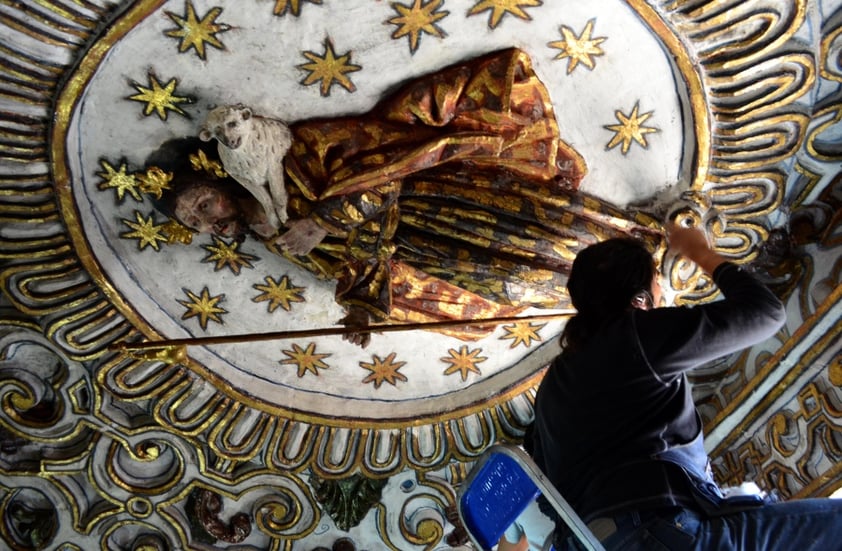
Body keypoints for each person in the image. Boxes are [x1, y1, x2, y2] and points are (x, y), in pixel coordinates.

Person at [146, 48, 661, 346]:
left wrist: (325, 219)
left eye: (202, 203)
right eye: (194, 222)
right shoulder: (271, 237)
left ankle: (649, 246)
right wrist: (363, 309)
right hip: (427, 255)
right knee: (522, 280)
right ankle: (626, 305)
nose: (206, 221)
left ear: (215, 179)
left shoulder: (297, 156)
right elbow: (347, 266)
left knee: (549, 233)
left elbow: (383, 164)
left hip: (440, 206)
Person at [528, 225, 842, 550]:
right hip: (655, 532)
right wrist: (700, 252)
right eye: (656, 279)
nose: (662, 289)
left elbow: (549, 497)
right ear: (640, 297)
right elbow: (763, 313)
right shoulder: (633, 336)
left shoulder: (551, 389)